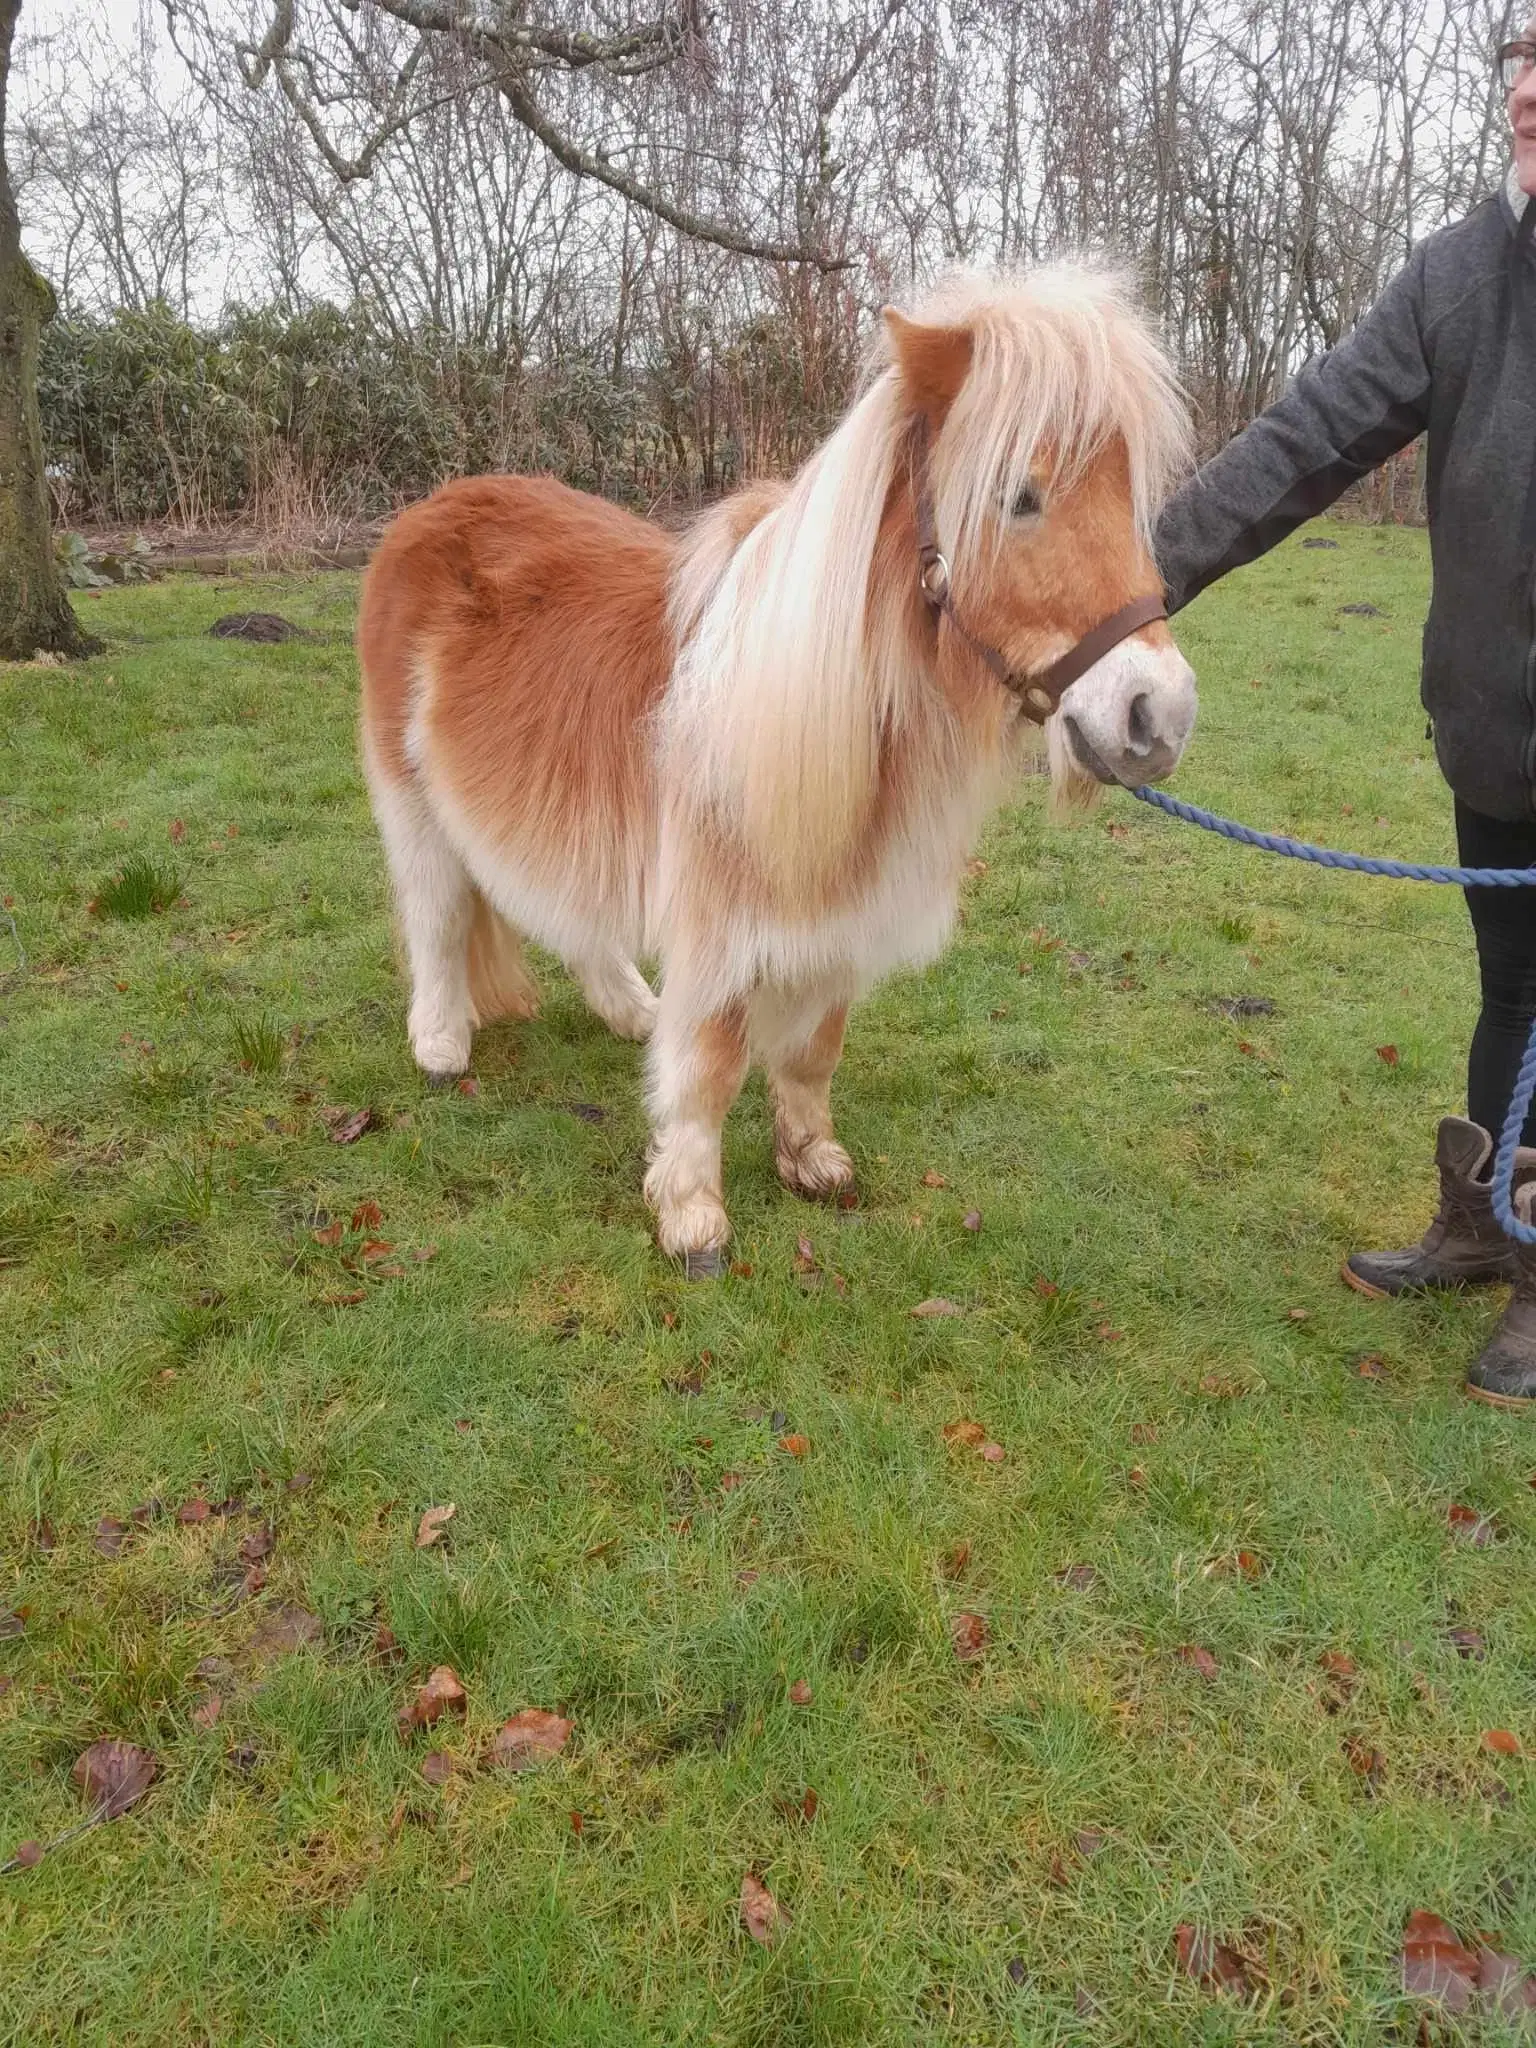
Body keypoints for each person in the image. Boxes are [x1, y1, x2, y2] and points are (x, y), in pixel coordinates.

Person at [1154, 29, 1536, 1409]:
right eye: (1526, 50)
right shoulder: (1457, 274)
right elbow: (1309, 436)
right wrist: (1140, 577)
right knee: (1514, 991)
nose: (1532, 80)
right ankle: (1490, 1222)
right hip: (1493, 737)